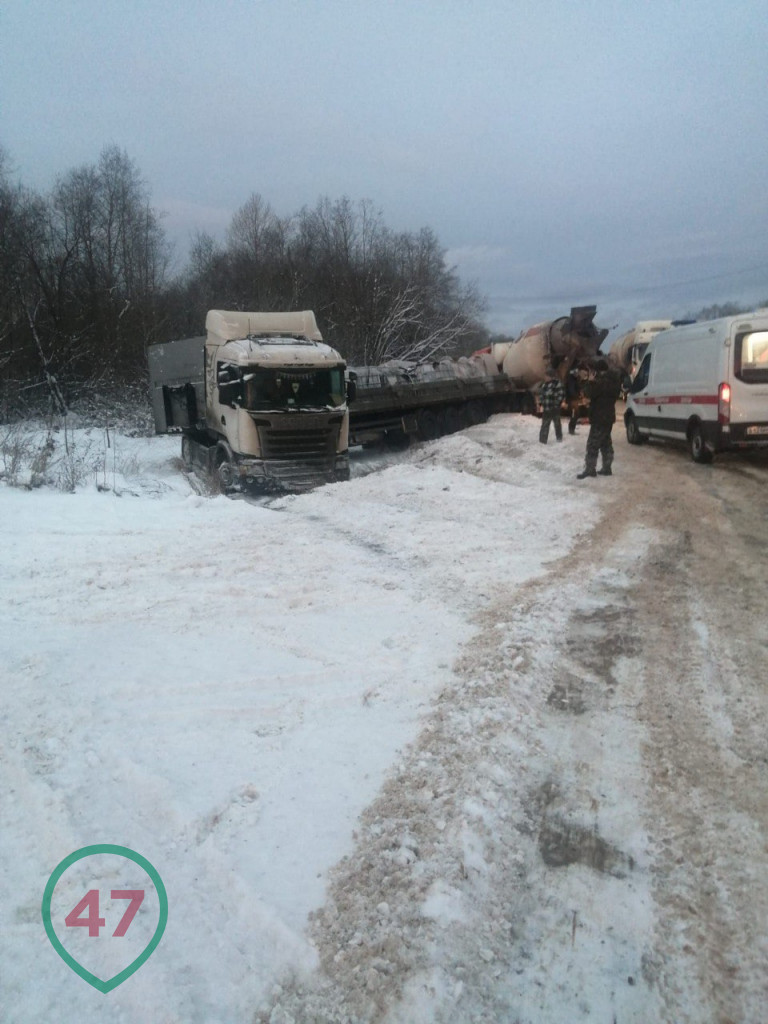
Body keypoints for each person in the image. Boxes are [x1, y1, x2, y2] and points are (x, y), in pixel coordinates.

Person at [576, 358, 622, 478]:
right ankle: (607, 467)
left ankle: (590, 469)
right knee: (606, 443)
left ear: (598, 371)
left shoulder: (600, 382)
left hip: (599, 417)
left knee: (592, 444)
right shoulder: (614, 381)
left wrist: (589, 381)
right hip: (608, 417)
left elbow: (588, 393)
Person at [538, 366, 566, 444]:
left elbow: (560, 395)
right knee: (544, 425)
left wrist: (556, 404)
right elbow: (541, 395)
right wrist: (542, 402)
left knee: (557, 424)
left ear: (551, 376)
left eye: (546, 376)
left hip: (554, 409)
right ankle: (542, 440)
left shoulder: (557, 384)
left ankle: (559, 438)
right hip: (546, 408)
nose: (545, 377)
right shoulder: (544, 385)